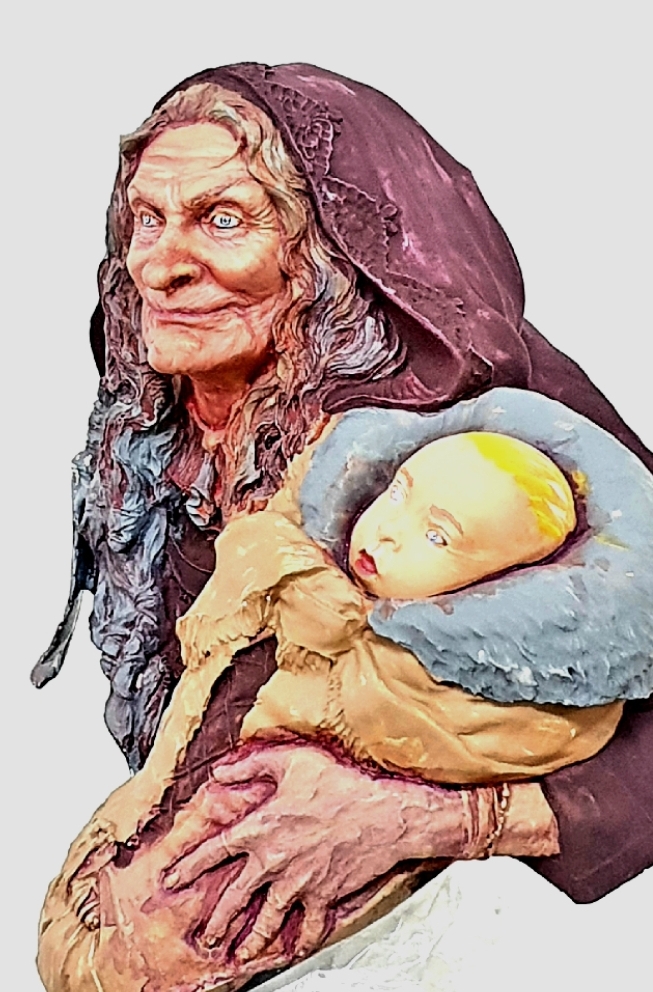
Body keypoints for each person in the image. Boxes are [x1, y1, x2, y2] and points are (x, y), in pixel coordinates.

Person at [34, 64, 653, 991]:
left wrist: (431, 819)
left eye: (223, 218)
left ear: (325, 247)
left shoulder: (473, 423)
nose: (158, 265)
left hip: (444, 930)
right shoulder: (156, 415)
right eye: (146, 219)